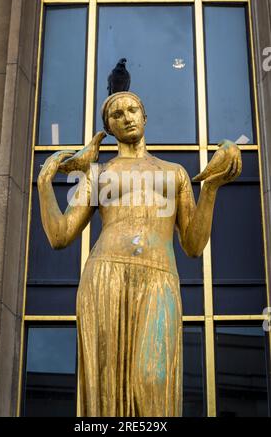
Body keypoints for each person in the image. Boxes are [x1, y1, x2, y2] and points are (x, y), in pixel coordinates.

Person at [37, 91, 242, 417]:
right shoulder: (98, 173)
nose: (127, 117)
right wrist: (44, 184)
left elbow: (193, 244)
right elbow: (60, 236)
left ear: (144, 117)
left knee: (153, 379)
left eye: (132, 110)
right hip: (105, 276)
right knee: (107, 385)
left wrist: (212, 188)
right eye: (117, 115)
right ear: (110, 128)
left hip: (158, 277)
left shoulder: (174, 173)